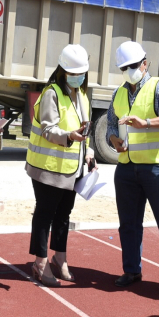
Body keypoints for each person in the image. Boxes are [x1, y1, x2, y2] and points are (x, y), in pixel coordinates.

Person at [106, 41, 159, 300]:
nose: (129, 70)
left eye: (133, 65)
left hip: (158, 168)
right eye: (124, 67)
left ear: (145, 63)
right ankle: (132, 270)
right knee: (128, 225)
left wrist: (148, 123)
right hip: (127, 169)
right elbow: (110, 123)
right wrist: (113, 140)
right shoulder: (119, 93)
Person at [25, 44, 96, 287]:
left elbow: (84, 131)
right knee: (45, 214)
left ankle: (60, 258)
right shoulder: (52, 93)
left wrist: (89, 153)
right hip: (47, 168)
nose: (79, 77)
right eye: (74, 73)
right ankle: (40, 262)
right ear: (63, 71)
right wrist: (69, 136)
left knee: (64, 214)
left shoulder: (83, 95)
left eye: (82, 73)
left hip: (72, 169)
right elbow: (48, 129)